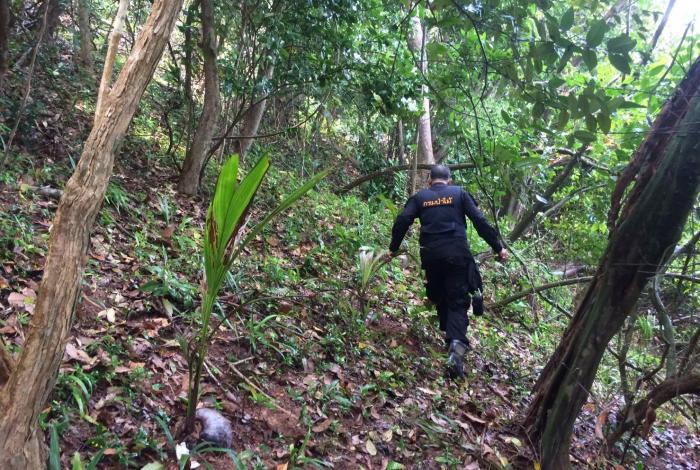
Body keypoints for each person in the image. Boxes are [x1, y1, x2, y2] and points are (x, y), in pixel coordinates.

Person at [388, 164, 508, 379]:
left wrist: (393, 248)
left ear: (429, 181)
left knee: (440, 295)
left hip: (431, 256)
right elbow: (479, 221)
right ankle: (456, 347)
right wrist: (498, 247)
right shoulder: (459, 194)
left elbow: (403, 220)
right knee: (457, 300)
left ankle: (450, 339)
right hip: (457, 254)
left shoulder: (420, 197)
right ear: (449, 180)